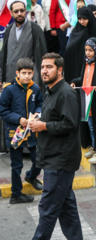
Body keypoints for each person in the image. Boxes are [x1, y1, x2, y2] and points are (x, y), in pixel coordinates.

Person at [29, 53, 83, 239]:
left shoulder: (66, 93)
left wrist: (43, 126)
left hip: (60, 160)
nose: (44, 70)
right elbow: (55, 118)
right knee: (66, 209)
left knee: (48, 209)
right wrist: (39, 121)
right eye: (43, 67)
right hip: (53, 157)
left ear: (60, 70)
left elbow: (69, 124)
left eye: (49, 67)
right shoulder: (51, 90)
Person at [0, 58, 43, 204]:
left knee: (38, 159)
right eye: (23, 73)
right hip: (15, 133)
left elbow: (40, 103)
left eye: (29, 73)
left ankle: (31, 176)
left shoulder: (35, 88)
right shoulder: (9, 90)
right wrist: (19, 119)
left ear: (33, 73)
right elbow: (3, 111)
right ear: (17, 73)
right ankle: (16, 194)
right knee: (16, 165)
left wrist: (37, 113)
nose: (26, 76)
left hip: (31, 131)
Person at [0, 0, 47, 86]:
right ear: (11, 13)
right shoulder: (9, 30)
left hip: (29, 82)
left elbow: (40, 57)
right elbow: (3, 56)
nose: (19, 14)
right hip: (9, 81)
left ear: (25, 10)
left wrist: (38, 83)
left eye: (22, 10)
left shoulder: (35, 29)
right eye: (16, 11)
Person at [64, 6, 96, 84]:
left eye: (85, 19)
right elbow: (69, 48)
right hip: (77, 66)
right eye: (80, 19)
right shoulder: (76, 31)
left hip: (95, 68)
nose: (82, 22)